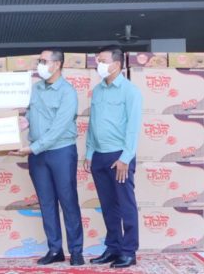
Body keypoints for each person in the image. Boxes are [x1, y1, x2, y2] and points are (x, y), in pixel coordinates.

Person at [13, 49, 84, 266]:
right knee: (46, 202)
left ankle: (76, 251)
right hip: (37, 155)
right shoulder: (35, 88)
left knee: (68, 201)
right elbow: (30, 116)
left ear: (57, 64)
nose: (40, 65)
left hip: (61, 152)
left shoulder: (68, 92)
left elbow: (58, 129)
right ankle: (55, 250)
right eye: (39, 61)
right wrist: (20, 123)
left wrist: (33, 148)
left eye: (44, 61)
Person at [84, 46, 142, 269]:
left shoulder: (130, 91)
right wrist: (89, 152)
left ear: (116, 64)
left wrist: (126, 158)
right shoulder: (98, 90)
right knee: (108, 206)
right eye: (97, 60)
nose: (98, 64)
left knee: (125, 204)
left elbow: (133, 127)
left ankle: (129, 251)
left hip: (119, 156)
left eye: (102, 60)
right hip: (99, 155)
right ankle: (113, 247)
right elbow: (93, 124)